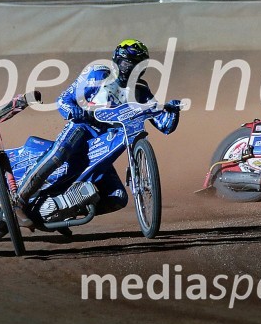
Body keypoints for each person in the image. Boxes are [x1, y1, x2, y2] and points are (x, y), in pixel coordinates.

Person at [12, 40, 181, 227]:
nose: (132, 69)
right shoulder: (98, 73)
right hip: (83, 127)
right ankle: (18, 201)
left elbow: (164, 125)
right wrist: (73, 111)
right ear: (117, 60)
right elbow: (64, 99)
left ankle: (63, 212)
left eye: (139, 65)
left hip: (107, 141)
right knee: (59, 154)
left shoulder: (141, 89)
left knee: (118, 197)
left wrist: (173, 111)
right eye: (128, 63)